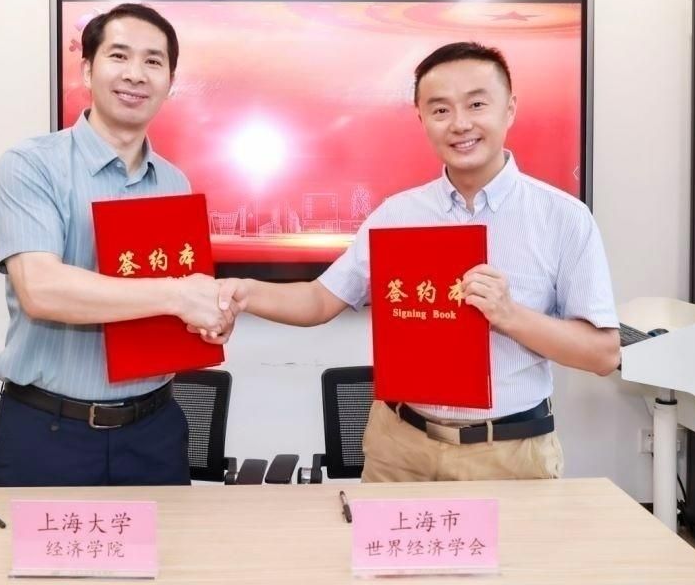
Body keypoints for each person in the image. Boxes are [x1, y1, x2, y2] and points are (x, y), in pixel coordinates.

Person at [215, 41, 619, 482]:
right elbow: (320, 300)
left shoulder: (563, 218)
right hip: (399, 448)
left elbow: (602, 354)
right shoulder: (397, 215)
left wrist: (509, 315)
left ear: (509, 109)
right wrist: (244, 292)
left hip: (508, 453)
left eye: (477, 104)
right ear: (422, 119)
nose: (460, 124)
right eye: (440, 109)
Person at [0, 3, 236, 487]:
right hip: (48, 431)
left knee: (165, 543)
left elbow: (171, 308)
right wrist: (179, 294)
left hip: (153, 431)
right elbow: (41, 290)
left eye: (153, 61)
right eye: (119, 56)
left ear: (170, 81)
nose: (135, 74)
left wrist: (208, 319)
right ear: (87, 70)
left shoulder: (174, 183)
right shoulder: (32, 164)